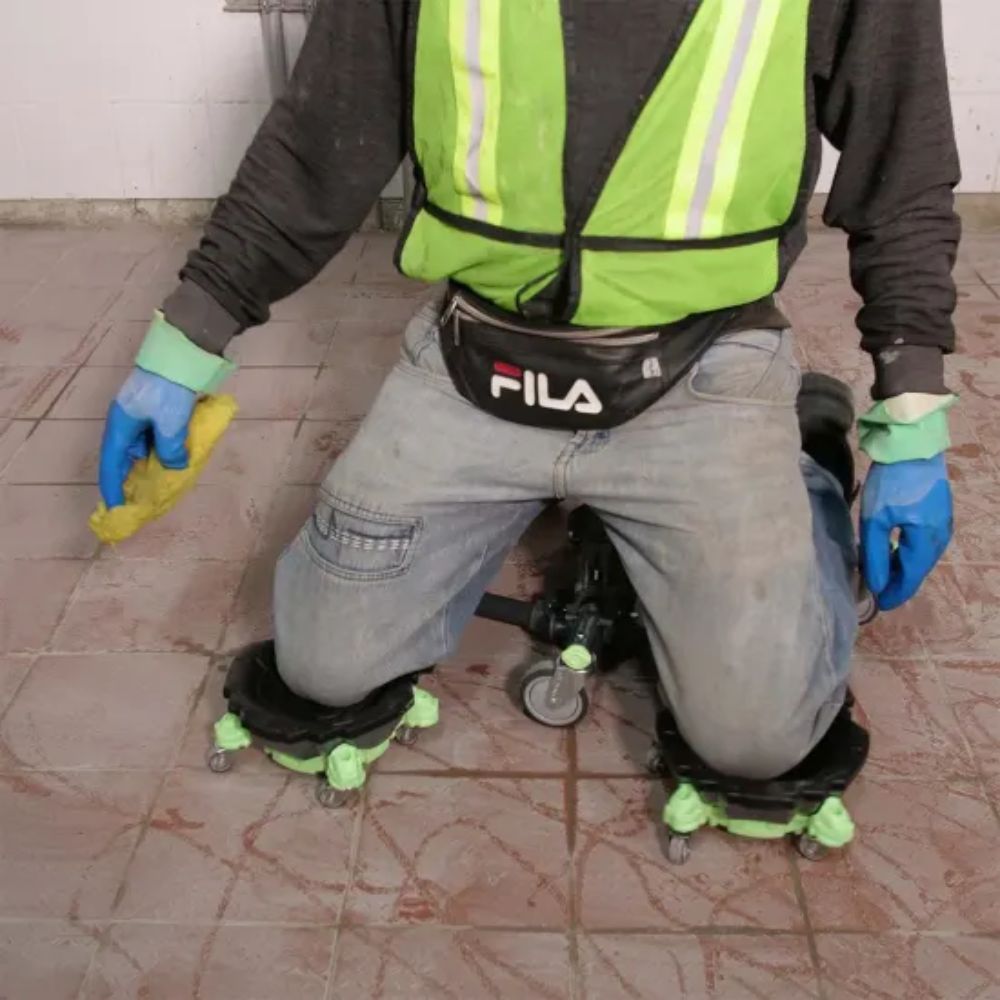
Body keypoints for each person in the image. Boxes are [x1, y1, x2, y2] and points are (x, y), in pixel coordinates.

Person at [99, 0, 959, 781]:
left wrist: (911, 419)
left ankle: (804, 461)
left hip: (703, 373)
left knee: (758, 739)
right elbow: (317, 148)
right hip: (478, 358)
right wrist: (180, 347)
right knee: (323, 667)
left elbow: (903, 175)